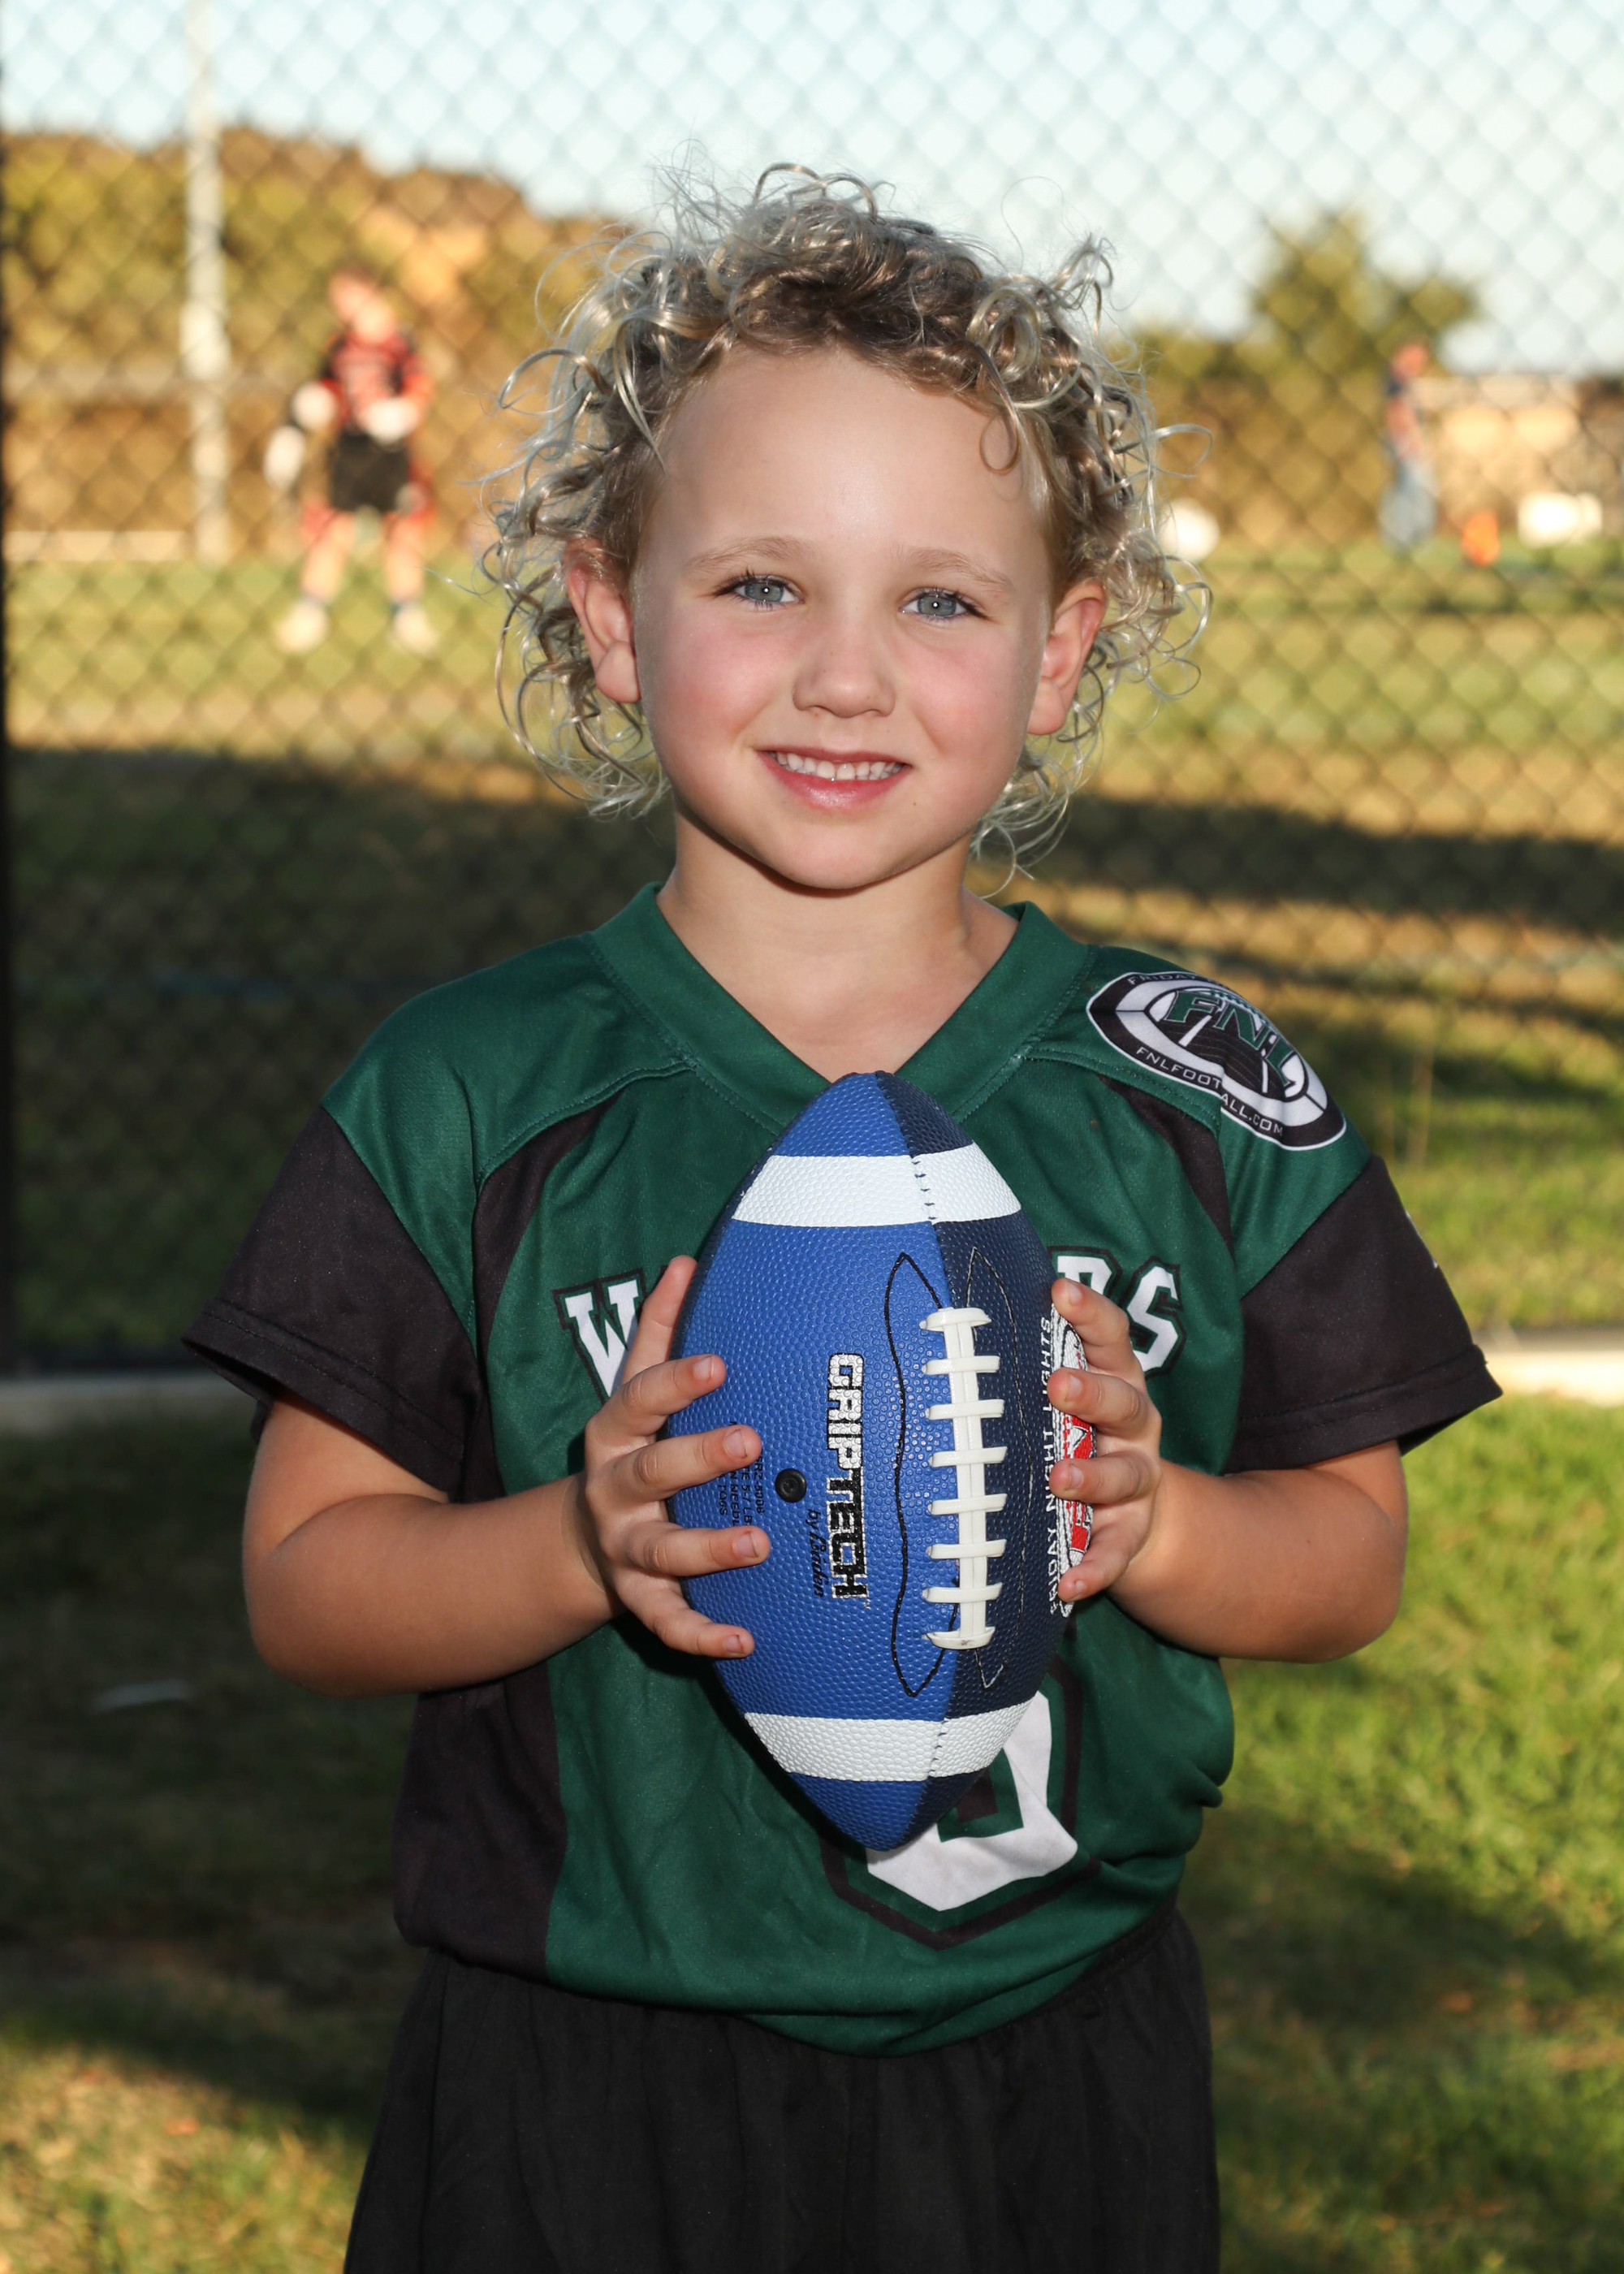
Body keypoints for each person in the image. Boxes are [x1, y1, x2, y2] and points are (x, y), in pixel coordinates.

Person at [188, 172, 1497, 2272]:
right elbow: (306, 1585)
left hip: (1059, 2061)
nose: (846, 676)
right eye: (762, 584)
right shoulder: (469, 1089)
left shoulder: (1188, 1084)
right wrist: (577, 1543)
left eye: (941, 603)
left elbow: (1350, 1555)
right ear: (614, 614)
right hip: (586, 2073)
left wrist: (1159, 1521)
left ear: (1063, 649)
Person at [263, 262, 438, 654]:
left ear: (368, 292)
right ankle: (311, 611)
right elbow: (321, 390)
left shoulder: (400, 341)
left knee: (402, 532)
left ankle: (407, 614)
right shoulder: (340, 345)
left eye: (344, 297)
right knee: (331, 529)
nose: (339, 307)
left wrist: (402, 412)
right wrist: (294, 428)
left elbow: (420, 388)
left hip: (393, 453)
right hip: (349, 450)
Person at [1379, 339, 1438, 551]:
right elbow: (1397, 411)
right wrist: (1412, 439)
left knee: (1405, 489)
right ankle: (1412, 538)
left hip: (1405, 438)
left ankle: (1404, 537)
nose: (1421, 361)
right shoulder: (1398, 377)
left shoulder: (1405, 379)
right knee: (1418, 488)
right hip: (1406, 439)